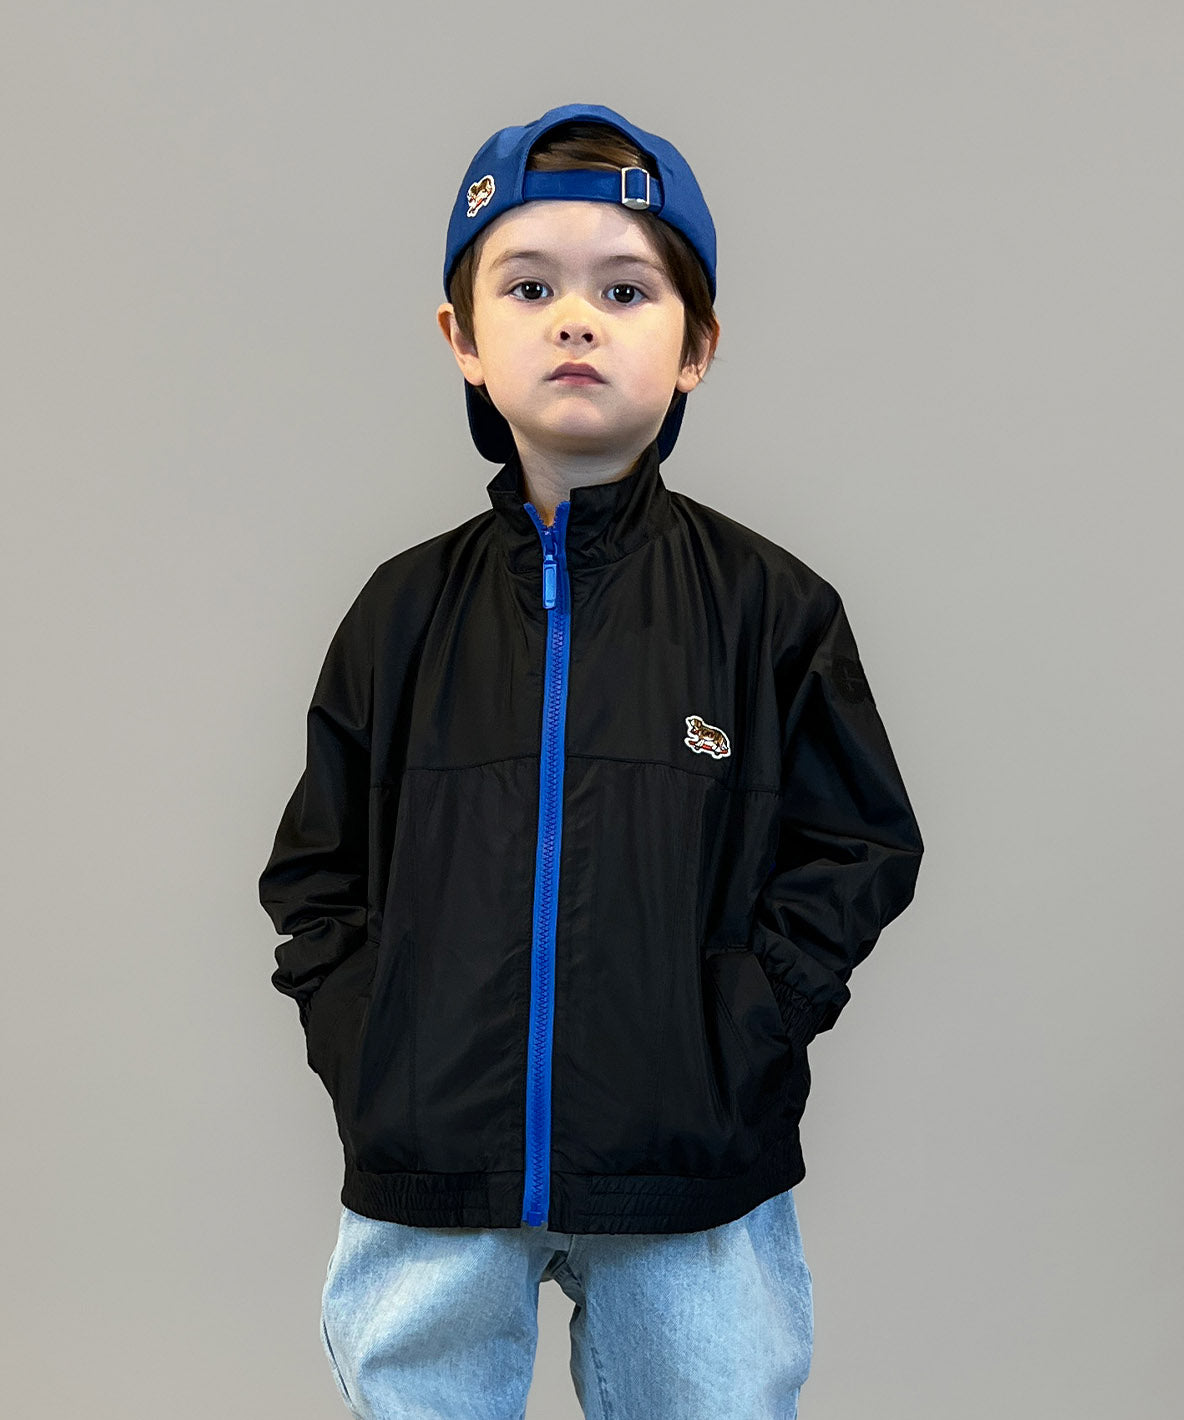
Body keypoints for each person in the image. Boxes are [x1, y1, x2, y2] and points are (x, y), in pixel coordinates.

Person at [258, 100, 924, 1420]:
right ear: (462, 339)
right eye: (529, 287)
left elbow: (860, 845)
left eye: (625, 290)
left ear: (697, 347)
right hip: (434, 1166)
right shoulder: (399, 617)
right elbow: (315, 874)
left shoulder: (771, 612)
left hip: (691, 1173)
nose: (576, 321)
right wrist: (372, 1048)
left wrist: (742, 1032)